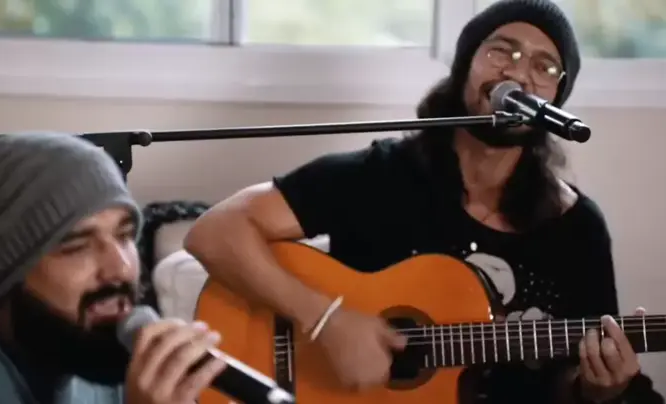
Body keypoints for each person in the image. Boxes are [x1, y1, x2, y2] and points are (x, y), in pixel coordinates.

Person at [184, 0, 664, 403]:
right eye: (502, 51)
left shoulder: (574, 226)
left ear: (556, 97)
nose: (519, 72)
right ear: (465, 67)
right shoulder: (380, 176)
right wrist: (324, 320)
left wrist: (596, 388)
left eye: (545, 66)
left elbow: (571, 375)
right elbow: (213, 232)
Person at [0, 133, 225, 404]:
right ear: (1, 278)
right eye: (77, 247)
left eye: (124, 235)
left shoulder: (88, 348)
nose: (120, 268)